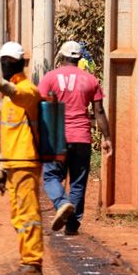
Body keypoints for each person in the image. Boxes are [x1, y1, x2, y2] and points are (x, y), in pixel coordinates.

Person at [38, 40, 114, 235]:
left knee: (51, 176)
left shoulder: (50, 78)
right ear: (79, 58)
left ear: (61, 56)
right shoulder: (91, 80)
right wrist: (107, 137)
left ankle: (62, 203)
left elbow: (39, 106)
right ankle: (72, 225)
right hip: (81, 138)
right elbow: (99, 111)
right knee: (78, 182)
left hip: (56, 137)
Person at [0, 41, 45, 275]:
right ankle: (27, 261)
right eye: (3, 62)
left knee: (28, 214)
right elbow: (9, 135)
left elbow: (20, 95)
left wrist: (1, 85)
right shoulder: (8, 99)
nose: (6, 66)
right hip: (13, 162)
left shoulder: (27, 90)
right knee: (18, 216)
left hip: (26, 161)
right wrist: (1, 167)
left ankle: (32, 263)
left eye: (9, 62)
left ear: (21, 63)